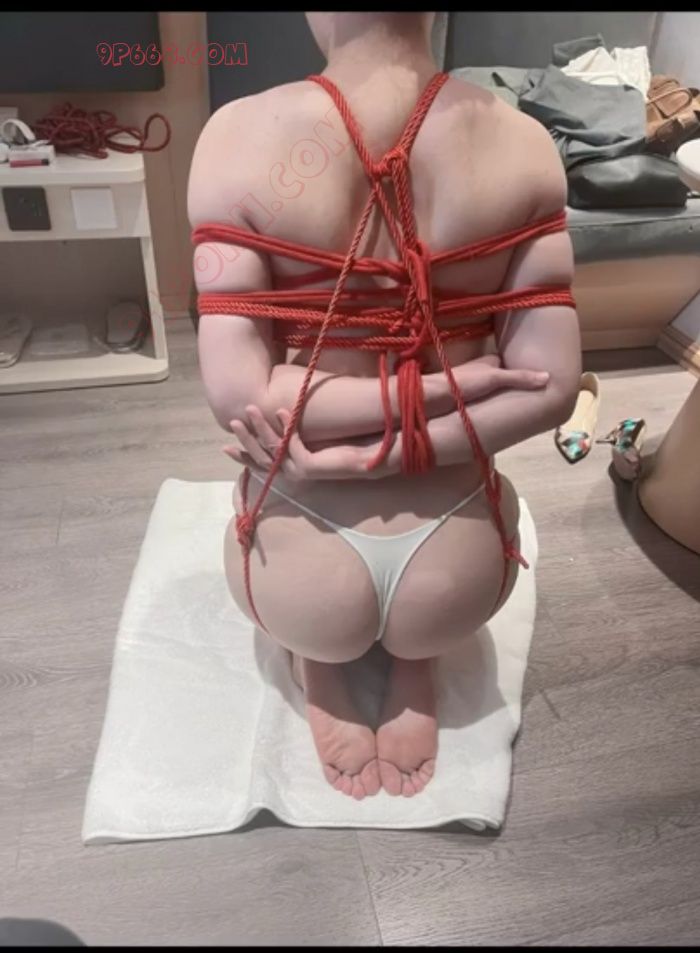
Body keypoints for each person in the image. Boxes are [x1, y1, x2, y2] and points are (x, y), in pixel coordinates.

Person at [187, 12, 581, 801]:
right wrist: (439, 394)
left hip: (298, 557)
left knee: (309, 605)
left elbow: (241, 397)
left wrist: (351, 460)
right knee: (438, 594)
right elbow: (553, 385)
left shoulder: (235, 135)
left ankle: (320, 660)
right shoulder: (525, 144)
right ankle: (414, 660)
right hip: (457, 571)